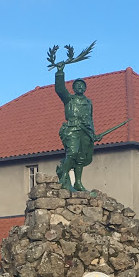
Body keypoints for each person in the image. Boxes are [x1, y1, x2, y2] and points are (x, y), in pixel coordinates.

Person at [55, 62, 102, 191]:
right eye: (77, 85)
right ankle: (64, 177)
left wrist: (93, 134)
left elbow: (90, 119)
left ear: (85, 88)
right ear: (74, 88)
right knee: (72, 153)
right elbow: (60, 89)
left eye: (82, 85)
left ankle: (78, 183)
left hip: (85, 131)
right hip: (72, 129)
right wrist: (60, 73)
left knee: (81, 157)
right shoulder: (69, 99)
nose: (80, 87)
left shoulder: (88, 102)